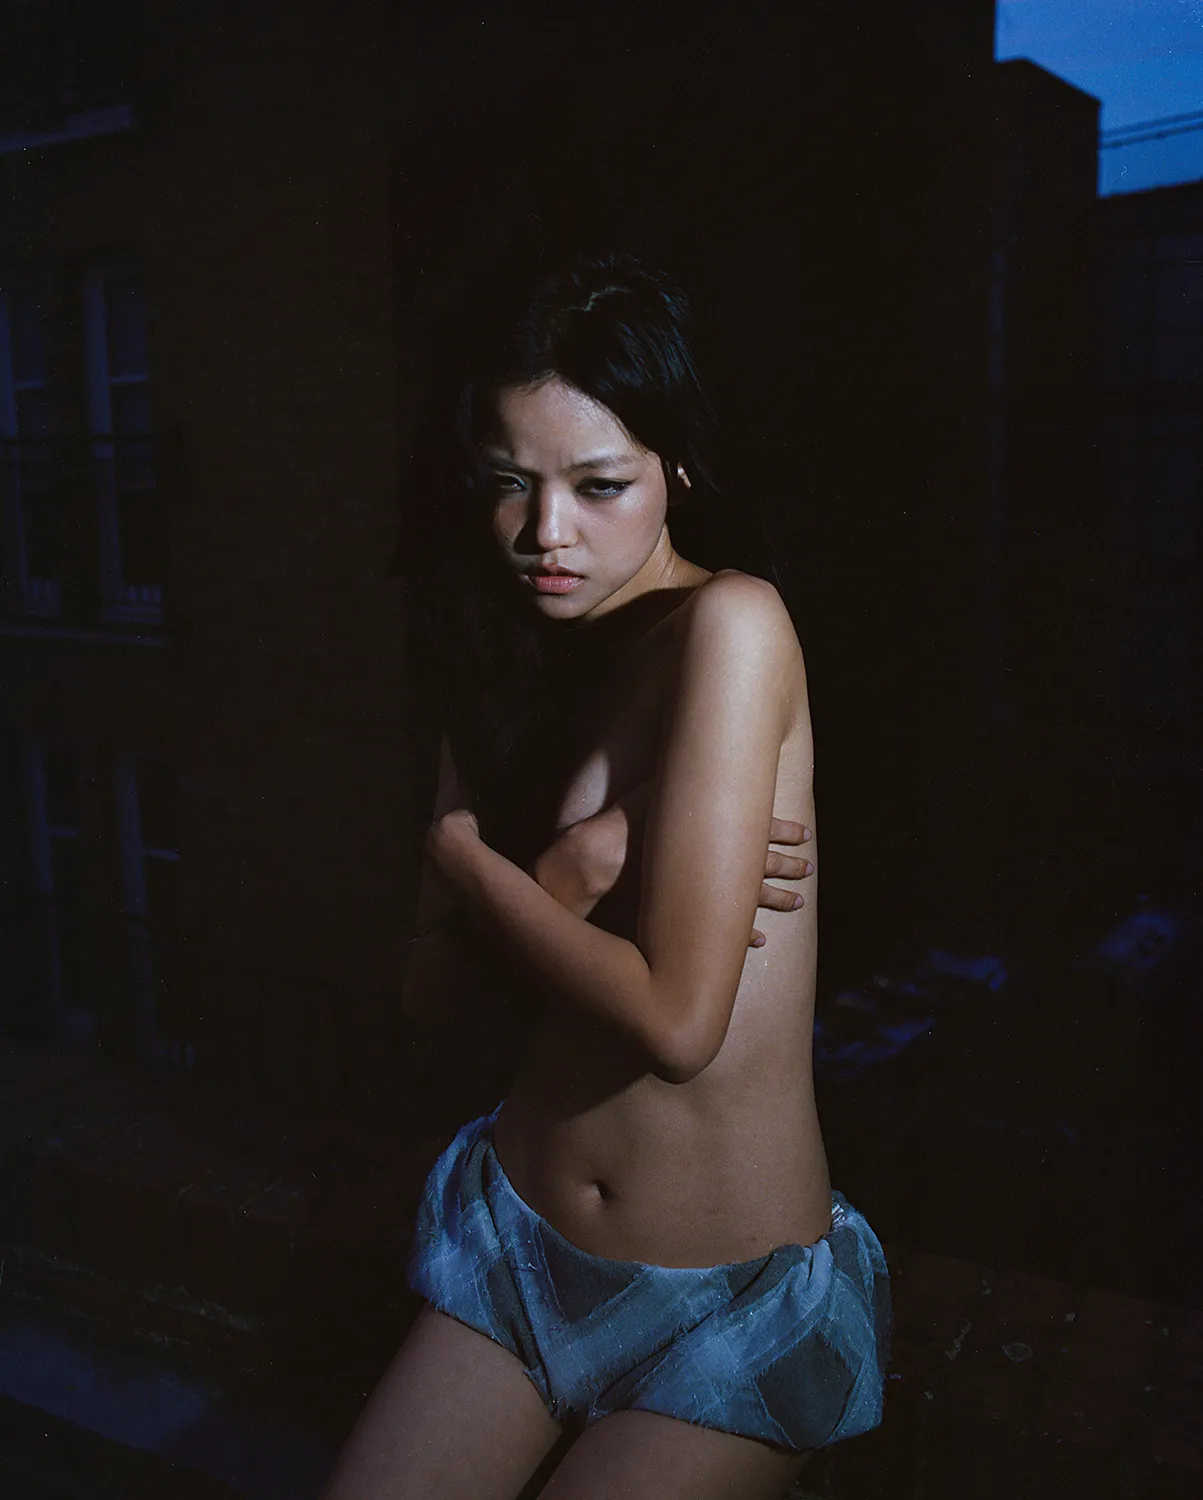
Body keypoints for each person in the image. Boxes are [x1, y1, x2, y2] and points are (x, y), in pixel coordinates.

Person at [321, 254, 890, 1500]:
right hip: (513, 1245)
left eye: (598, 485)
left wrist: (470, 864)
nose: (547, 534)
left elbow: (678, 1023)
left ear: (676, 468)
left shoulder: (733, 626)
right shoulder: (500, 662)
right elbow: (428, 1002)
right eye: (510, 484)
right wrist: (571, 871)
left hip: (725, 1301)